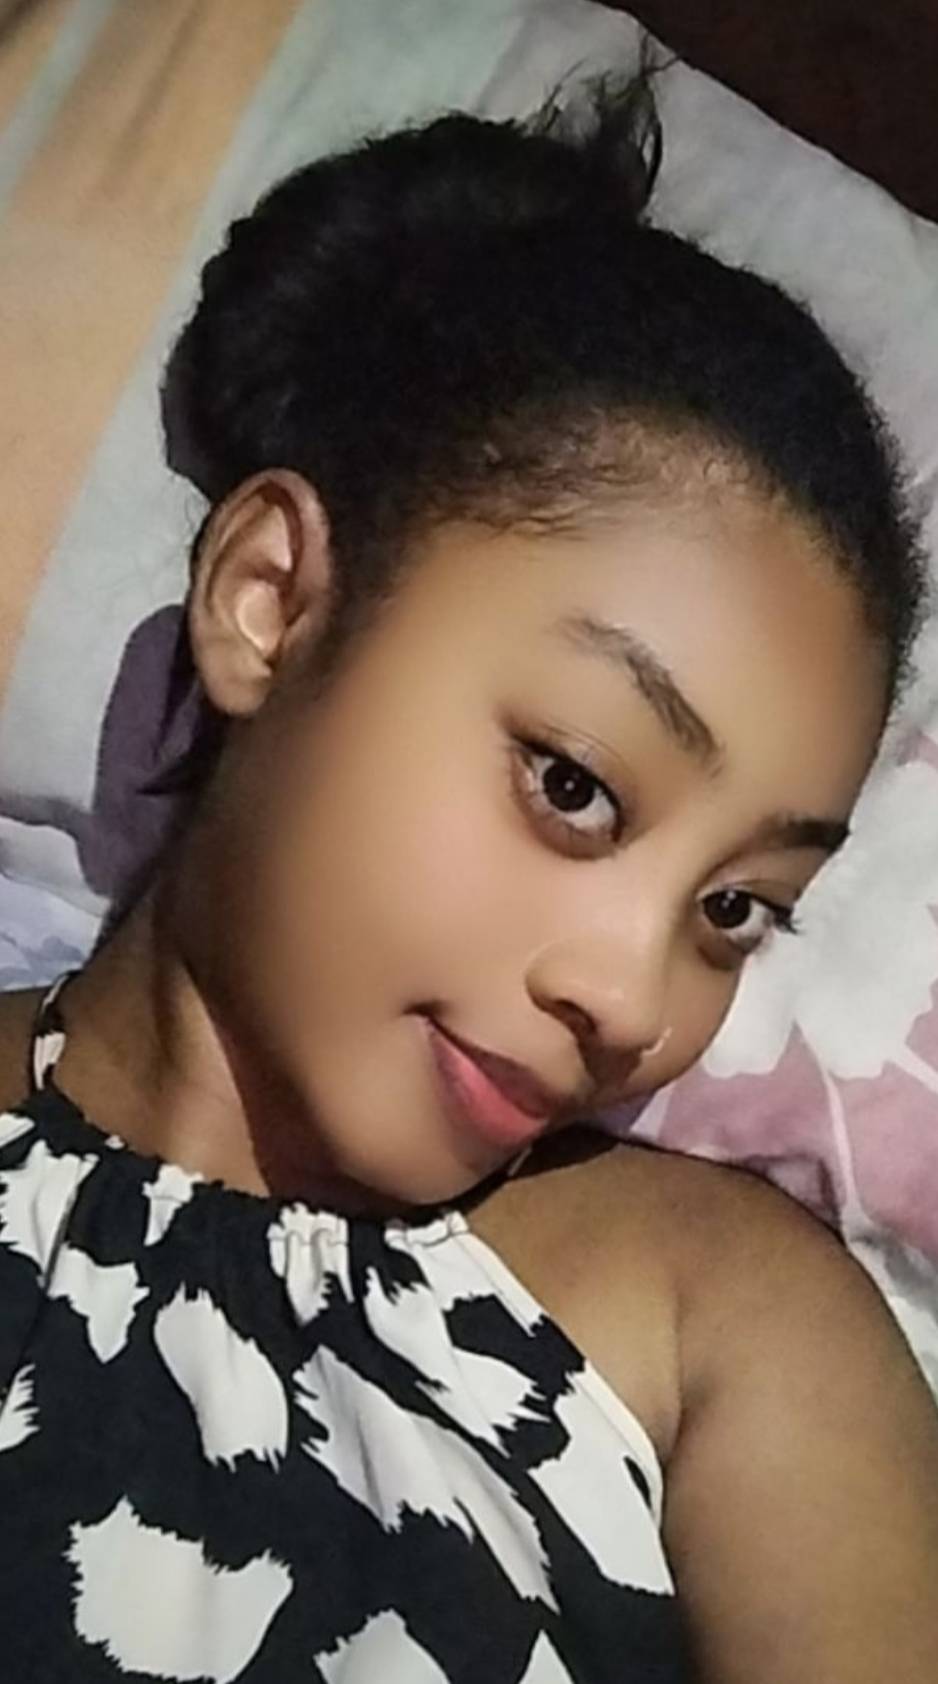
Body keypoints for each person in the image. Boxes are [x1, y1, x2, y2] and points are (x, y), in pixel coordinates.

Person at [0, 74, 936, 1684]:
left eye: (733, 909)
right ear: (270, 602)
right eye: (571, 784)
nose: (633, 1000)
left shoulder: (717, 1320)